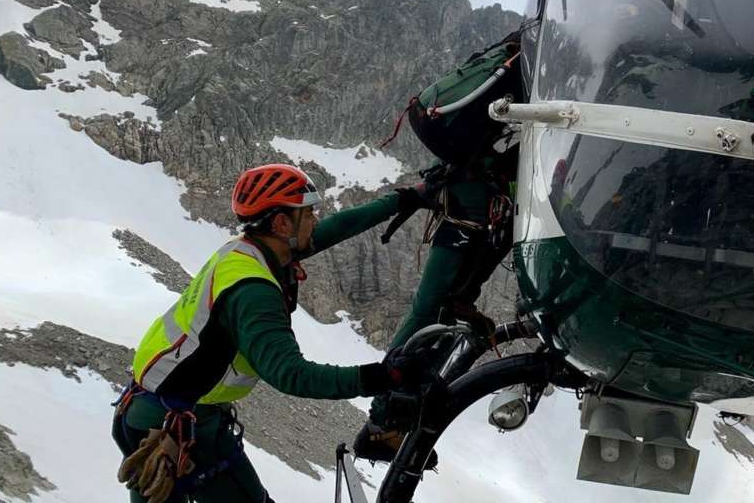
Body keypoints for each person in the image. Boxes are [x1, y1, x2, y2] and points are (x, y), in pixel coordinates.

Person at [112, 163, 434, 503]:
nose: (315, 220)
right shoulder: (254, 291)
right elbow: (291, 374)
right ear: (281, 223)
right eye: (308, 214)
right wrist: (384, 377)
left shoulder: (248, 250)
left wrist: (405, 199)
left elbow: (339, 227)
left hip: (146, 415)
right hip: (180, 426)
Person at [353, 151, 516, 462]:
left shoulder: (491, 160)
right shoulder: (495, 159)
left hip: (474, 207)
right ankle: (384, 422)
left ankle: (387, 421)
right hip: (471, 206)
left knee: (433, 313)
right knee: (430, 313)